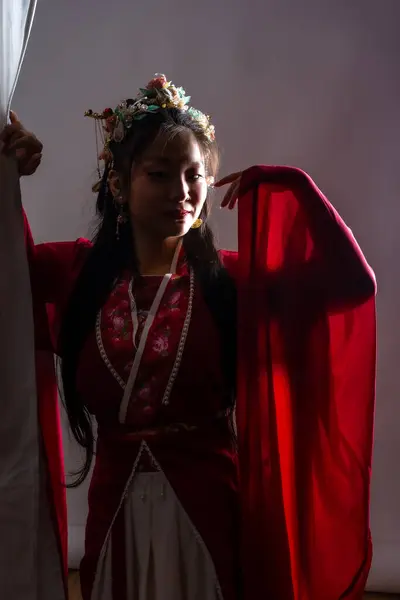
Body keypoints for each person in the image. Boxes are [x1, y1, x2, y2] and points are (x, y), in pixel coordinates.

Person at [1, 74, 376, 600]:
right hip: (115, 516)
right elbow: (5, 270)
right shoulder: (77, 274)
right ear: (118, 184)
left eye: (194, 174)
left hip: (211, 514)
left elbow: (350, 286)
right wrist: (6, 175)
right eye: (158, 174)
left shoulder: (231, 282)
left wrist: (296, 188)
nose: (182, 192)